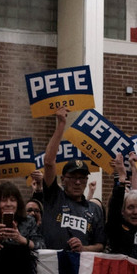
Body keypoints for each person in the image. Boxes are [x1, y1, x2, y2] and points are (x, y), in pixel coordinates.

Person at [38, 107, 105, 253]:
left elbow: (100, 245)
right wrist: (61, 124)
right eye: (73, 177)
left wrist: (83, 248)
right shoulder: (54, 196)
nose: (77, 182)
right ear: (63, 179)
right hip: (51, 266)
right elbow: (49, 162)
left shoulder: (95, 210)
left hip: (81, 269)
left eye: (82, 178)